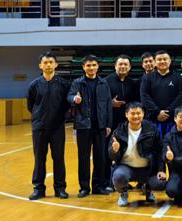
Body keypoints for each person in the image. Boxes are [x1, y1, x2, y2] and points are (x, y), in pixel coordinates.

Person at [26, 52, 70, 200]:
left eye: (51, 62)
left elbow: (66, 105)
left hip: (57, 128)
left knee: (58, 159)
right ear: (40, 65)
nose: (48, 65)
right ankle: (38, 189)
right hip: (39, 128)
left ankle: (60, 188)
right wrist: (39, 117)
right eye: (45, 62)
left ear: (56, 64)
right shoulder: (34, 85)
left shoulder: (63, 84)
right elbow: (31, 106)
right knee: (39, 159)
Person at [68, 55, 113, 197]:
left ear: (97, 66)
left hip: (100, 126)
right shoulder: (77, 83)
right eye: (88, 65)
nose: (91, 68)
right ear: (83, 67)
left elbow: (108, 104)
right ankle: (84, 187)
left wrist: (108, 124)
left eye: (94, 65)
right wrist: (74, 99)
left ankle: (98, 186)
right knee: (83, 158)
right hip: (83, 126)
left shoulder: (103, 83)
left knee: (100, 158)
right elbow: (70, 96)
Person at [108, 102, 163, 207]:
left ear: (143, 114)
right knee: (118, 176)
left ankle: (148, 189)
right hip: (126, 167)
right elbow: (111, 156)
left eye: (138, 113)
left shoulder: (152, 129)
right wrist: (114, 150)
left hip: (148, 168)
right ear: (126, 114)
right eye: (132, 113)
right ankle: (123, 193)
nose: (136, 116)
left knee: (160, 183)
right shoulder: (119, 131)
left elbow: (159, 150)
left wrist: (161, 170)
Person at [140, 49, 182, 138]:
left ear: (169, 61)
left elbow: (181, 96)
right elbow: (144, 96)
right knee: (153, 144)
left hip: (172, 119)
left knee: (171, 143)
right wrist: (157, 112)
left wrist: (168, 112)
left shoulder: (178, 77)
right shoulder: (147, 78)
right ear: (155, 62)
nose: (162, 61)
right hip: (153, 119)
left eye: (165, 59)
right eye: (159, 59)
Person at [105, 54, 139, 122]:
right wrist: (110, 103)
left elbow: (136, 101)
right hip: (111, 120)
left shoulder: (132, 83)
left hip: (129, 120)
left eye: (125, 64)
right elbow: (99, 102)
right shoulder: (105, 82)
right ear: (115, 66)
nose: (123, 66)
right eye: (120, 64)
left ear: (129, 67)